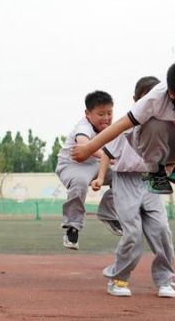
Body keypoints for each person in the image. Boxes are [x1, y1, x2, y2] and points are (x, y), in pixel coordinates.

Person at [90, 76, 175, 298]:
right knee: (132, 233)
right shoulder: (125, 127)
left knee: (161, 230)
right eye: (146, 99)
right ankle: (119, 279)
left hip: (152, 179)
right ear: (136, 100)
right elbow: (107, 154)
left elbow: (167, 165)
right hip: (126, 180)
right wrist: (101, 178)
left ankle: (165, 280)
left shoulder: (165, 130)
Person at [72, 57, 175, 194]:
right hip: (151, 146)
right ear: (172, 94)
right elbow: (121, 125)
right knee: (155, 124)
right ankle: (155, 172)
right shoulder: (154, 100)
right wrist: (89, 148)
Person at [55, 90, 120, 250]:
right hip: (72, 165)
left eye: (109, 113)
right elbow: (84, 145)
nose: (106, 118)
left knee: (124, 177)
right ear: (88, 114)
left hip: (96, 164)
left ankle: (108, 213)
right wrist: (108, 156)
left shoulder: (112, 128)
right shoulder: (83, 126)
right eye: (101, 114)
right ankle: (72, 226)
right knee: (80, 182)